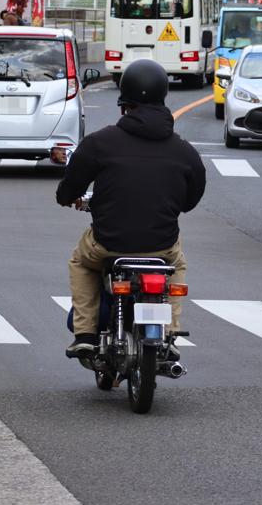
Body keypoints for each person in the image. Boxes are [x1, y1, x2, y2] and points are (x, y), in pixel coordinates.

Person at [57, 59, 206, 360]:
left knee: (81, 261)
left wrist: (69, 197)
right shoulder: (184, 151)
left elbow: (69, 188)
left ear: (125, 103)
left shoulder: (100, 143)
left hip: (108, 244)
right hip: (162, 246)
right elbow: (191, 200)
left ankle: (85, 333)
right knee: (176, 265)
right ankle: (170, 332)